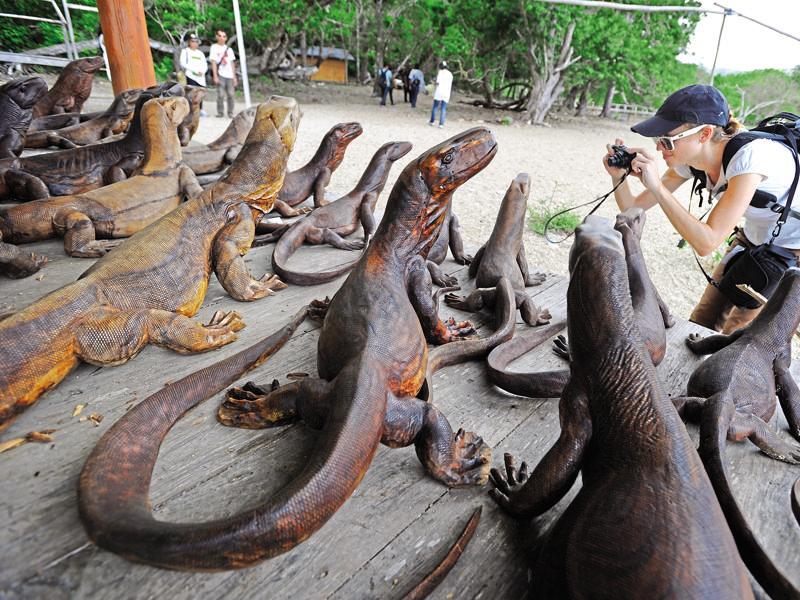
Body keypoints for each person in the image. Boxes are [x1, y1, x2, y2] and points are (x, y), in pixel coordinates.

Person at [605, 84, 800, 334]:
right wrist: (617, 176)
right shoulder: (691, 161)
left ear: (705, 134)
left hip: (791, 249)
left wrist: (656, 186)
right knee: (702, 320)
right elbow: (633, 208)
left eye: (667, 141)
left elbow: (707, 243)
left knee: (740, 334)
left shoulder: (750, 158)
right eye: (657, 139)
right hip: (754, 235)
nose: (659, 148)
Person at [208, 29, 237, 118]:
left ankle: (230, 112)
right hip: (220, 74)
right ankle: (220, 112)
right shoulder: (214, 47)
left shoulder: (229, 50)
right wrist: (215, 76)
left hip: (229, 75)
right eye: (220, 36)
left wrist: (234, 77)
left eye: (224, 36)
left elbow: (232, 63)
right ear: (217, 37)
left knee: (231, 94)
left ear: (226, 38)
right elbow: (213, 62)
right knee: (220, 94)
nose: (222, 38)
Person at [179, 33, 207, 116]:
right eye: (192, 41)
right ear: (189, 42)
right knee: (191, 93)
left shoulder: (200, 53)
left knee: (200, 92)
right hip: (191, 75)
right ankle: (190, 109)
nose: (194, 43)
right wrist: (194, 70)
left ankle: (200, 109)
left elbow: (204, 64)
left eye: (196, 41)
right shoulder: (185, 51)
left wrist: (202, 71)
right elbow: (183, 63)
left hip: (201, 77)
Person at [429, 61, 452, 128]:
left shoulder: (440, 72)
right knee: (443, 108)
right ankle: (441, 124)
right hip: (446, 93)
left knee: (435, 107)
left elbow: (437, 83)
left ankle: (432, 121)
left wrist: (433, 83)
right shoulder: (450, 74)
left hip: (439, 92)